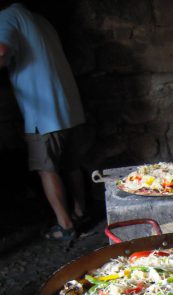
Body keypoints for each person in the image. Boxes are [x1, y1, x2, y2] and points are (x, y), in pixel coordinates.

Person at [0, 2, 88, 240]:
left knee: (46, 169)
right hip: (70, 107)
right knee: (71, 165)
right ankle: (80, 212)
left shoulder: (7, 16)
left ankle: (65, 226)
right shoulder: (41, 21)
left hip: (44, 113)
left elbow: (1, 51)